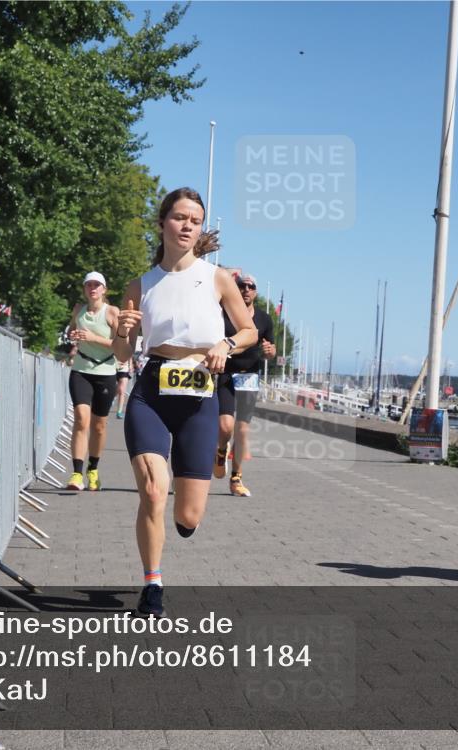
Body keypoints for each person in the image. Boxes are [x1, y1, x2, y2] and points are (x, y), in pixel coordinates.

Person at [113, 187, 257, 617]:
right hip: (152, 392)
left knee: (189, 517)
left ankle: (181, 519)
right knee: (154, 491)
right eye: (179, 217)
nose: (187, 225)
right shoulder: (139, 285)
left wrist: (226, 345)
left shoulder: (216, 278)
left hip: (200, 396)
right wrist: (123, 328)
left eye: (195, 219)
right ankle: (152, 583)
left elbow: (249, 331)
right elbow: (122, 354)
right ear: (162, 224)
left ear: (200, 229)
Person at [212, 273, 276, 496]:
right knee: (225, 426)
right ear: (235, 288)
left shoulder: (264, 319)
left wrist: (270, 352)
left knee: (242, 431)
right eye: (242, 286)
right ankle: (221, 451)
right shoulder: (224, 314)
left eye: (251, 286)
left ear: (256, 292)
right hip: (227, 373)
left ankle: (236, 479)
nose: (246, 289)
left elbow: (271, 350)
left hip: (249, 376)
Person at [65, 271, 119, 492]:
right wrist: (72, 335)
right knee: (81, 419)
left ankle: (93, 469)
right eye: (89, 285)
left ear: (104, 290)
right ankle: (76, 473)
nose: (93, 289)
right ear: (85, 289)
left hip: (106, 372)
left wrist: (93, 338)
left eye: (97, 285)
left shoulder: (112, 312)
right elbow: (70, 330)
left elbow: (121, 345)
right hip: (81, 370)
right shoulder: (78, 310)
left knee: (99, 426)